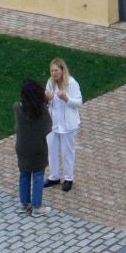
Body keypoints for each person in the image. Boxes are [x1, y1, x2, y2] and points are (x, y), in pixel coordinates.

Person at [43, 57, 83, 192]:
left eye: (56, 70)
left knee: (67, 152)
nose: (54, 73)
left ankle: (68, 178)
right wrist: (47, 99)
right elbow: (47, 100)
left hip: (68, 124)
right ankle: (54, 177)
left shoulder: (71, 83)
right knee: (52, 150)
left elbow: (78, 102)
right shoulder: (50, 82)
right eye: (52, 70)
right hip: (53, 123)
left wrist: (67, 99)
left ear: (62, 70)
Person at [14, 77, 52, 215]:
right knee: (37, 175)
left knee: (23, 174)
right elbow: (48, 127)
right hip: (38, 148)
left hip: (22, 147)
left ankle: (24, 204)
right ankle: (37, 207)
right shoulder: (41, 112)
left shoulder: (18, 108)